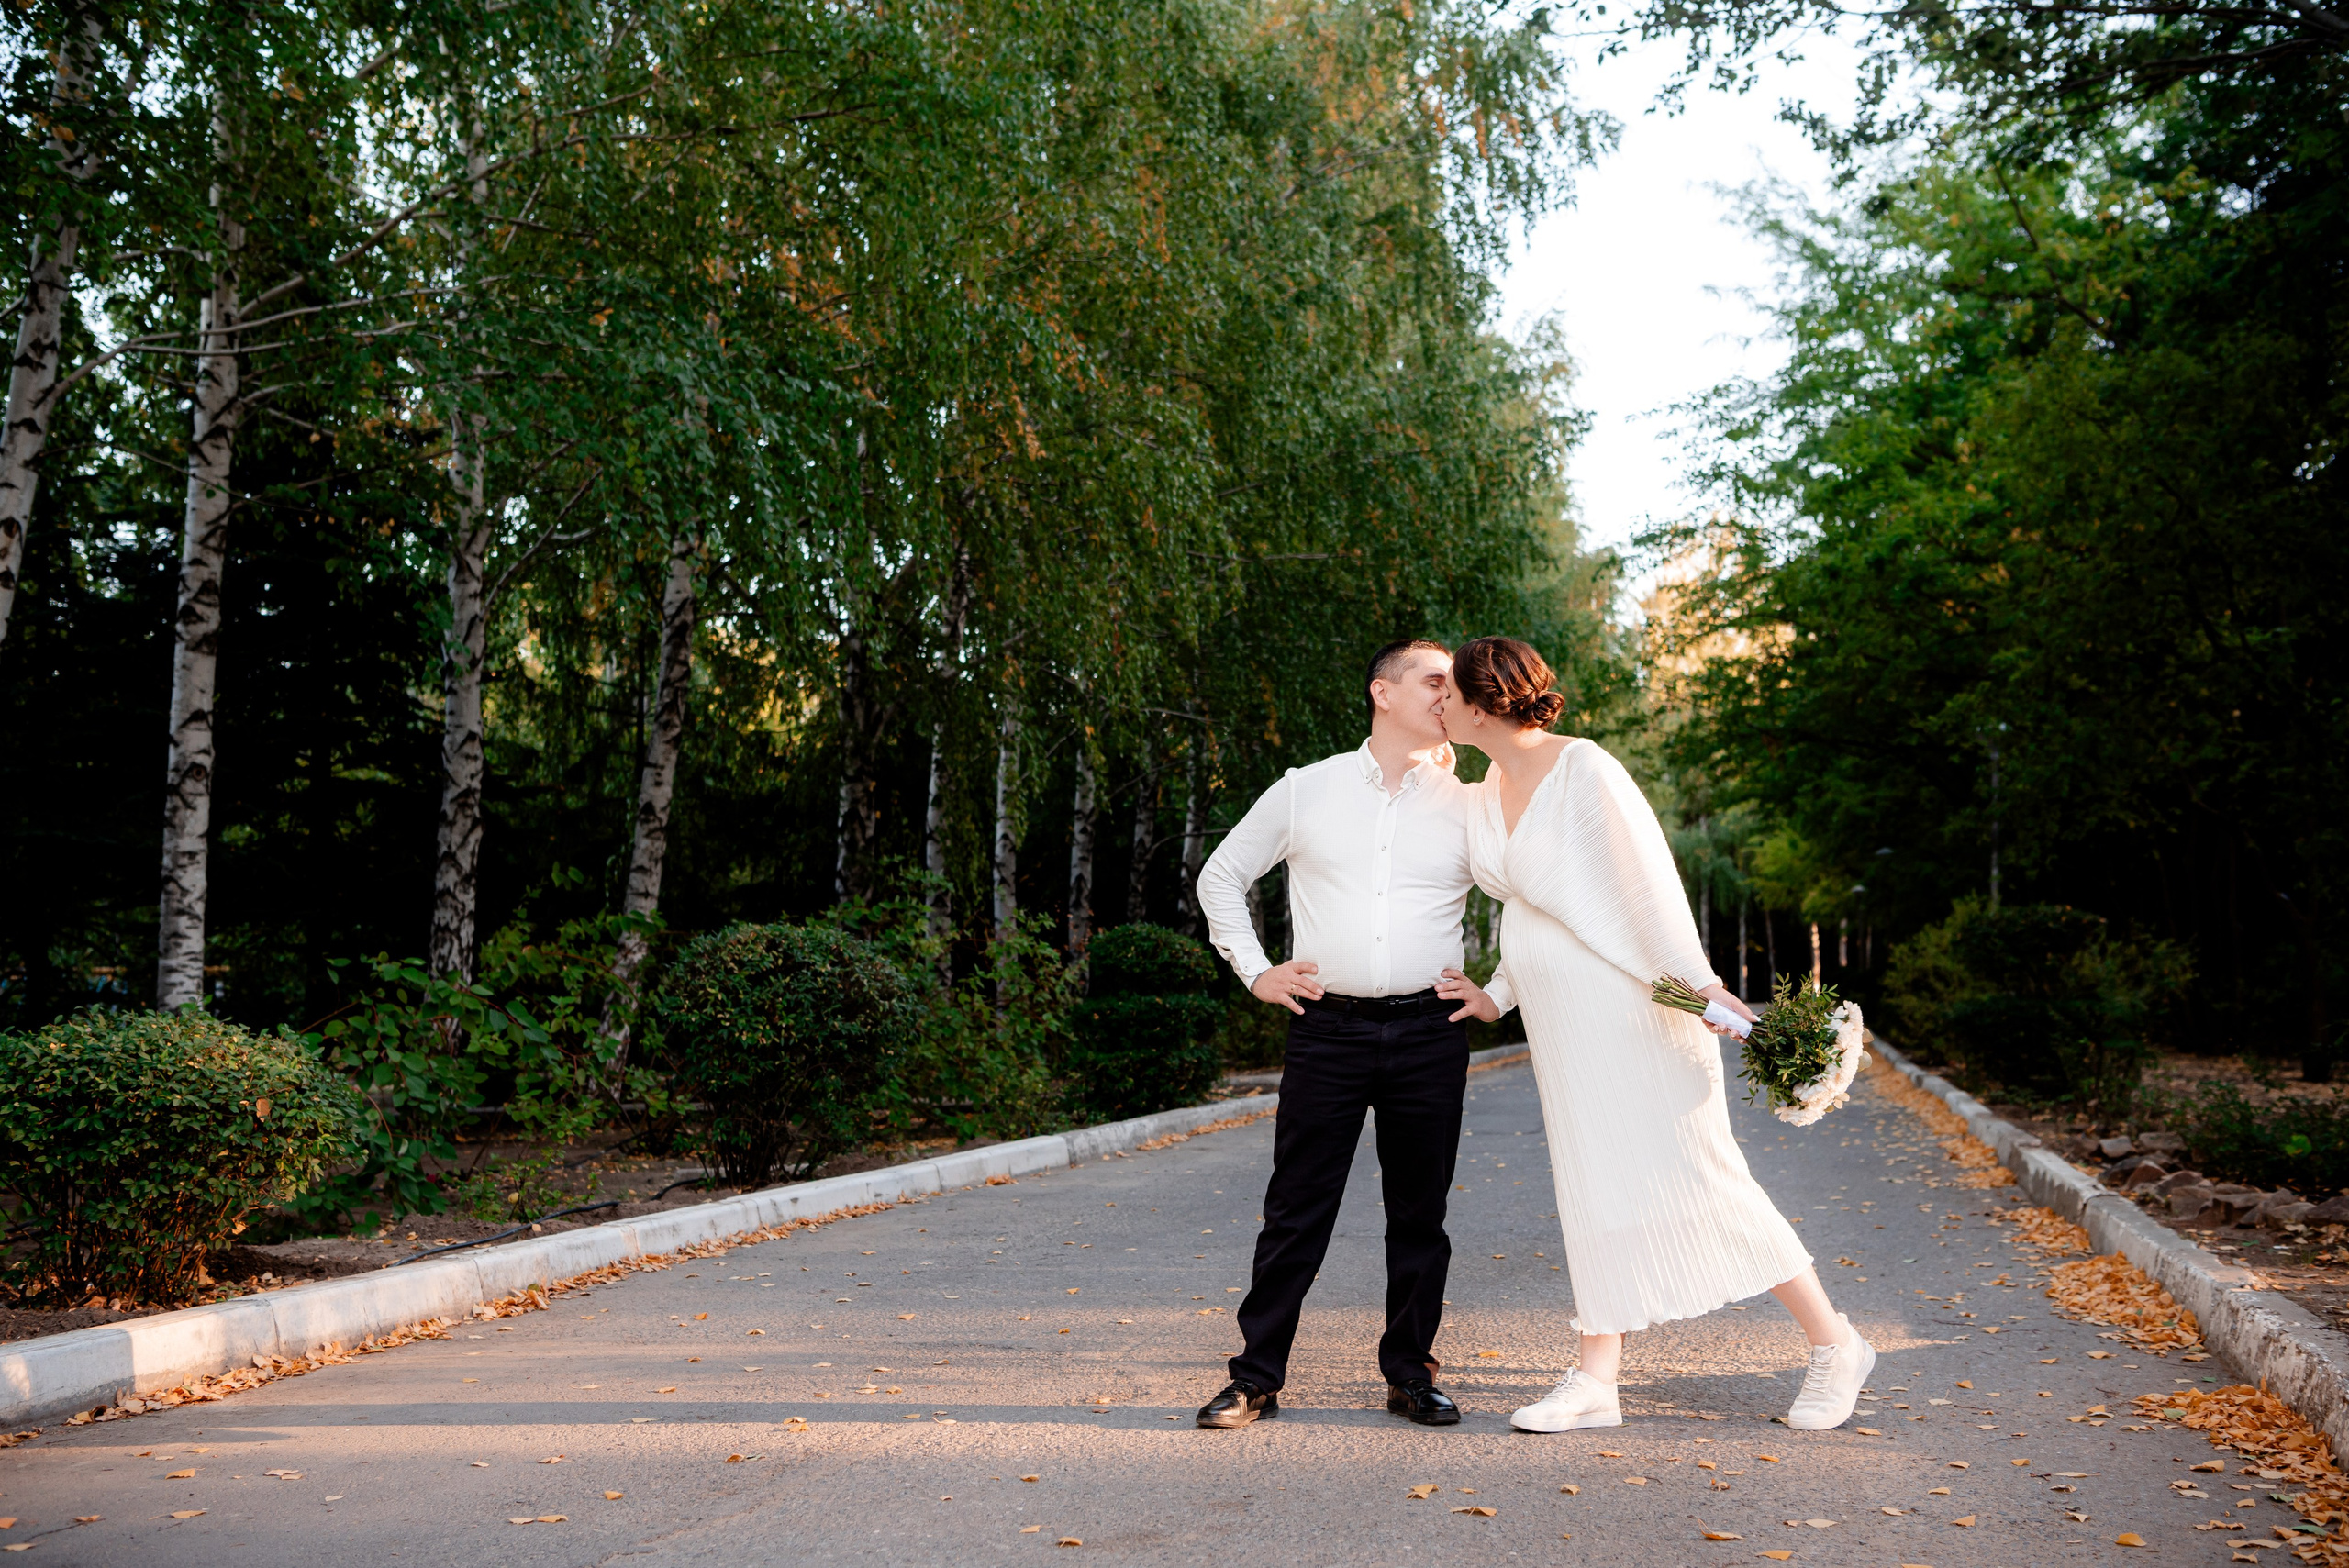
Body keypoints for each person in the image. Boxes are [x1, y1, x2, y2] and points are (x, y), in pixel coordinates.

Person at [1431, 635, 1875, 1434]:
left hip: (1637, 1009)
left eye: (1446, 694)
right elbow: (1530, 912)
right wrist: (1497, 994)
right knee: (1592, 1188)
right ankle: (1598, 1378)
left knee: (1702, 1177)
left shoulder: (1585, 767)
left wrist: (1706, 990)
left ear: (1481, 701)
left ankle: (1837, 1343)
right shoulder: (1488, 782)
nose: (1438, 706)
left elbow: (1648, 887)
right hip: (1568, 1033)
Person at [1189, 638, 1508, 1429]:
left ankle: (1410, 1374)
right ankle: (1255, 1378)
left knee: (1420, 1216)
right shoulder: (1308, 789)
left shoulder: (1474, 802)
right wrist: (1256, 970)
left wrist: (1502, 990)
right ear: (1383, 692)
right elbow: (1221, 875)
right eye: (1436, 680)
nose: (1451, 693)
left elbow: (1533, 899)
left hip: (1429, 1032)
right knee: (1295, 1210)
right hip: (1326, 1031)